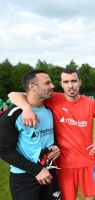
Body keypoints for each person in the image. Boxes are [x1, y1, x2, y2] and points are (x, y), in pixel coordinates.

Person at [8, 68, 95, 200]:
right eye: (66, 82)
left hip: (87, 160)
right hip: (63, 162)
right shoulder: (54, 99)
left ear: (80, 82)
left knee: (91, 197)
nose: (70, 85)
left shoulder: (90, 104)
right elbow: (13, 94)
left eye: (74, 81)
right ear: (61, 84)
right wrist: (26, 107)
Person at [0, 70, 61, 200]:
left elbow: (48, 137)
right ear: (32, 87)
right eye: (47, 83)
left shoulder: (49, 111)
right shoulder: (13, 115)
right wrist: (37, 170)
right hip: (25, 178)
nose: (53, 86)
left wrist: (55, 145)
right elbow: (3, 150)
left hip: (49, 173)